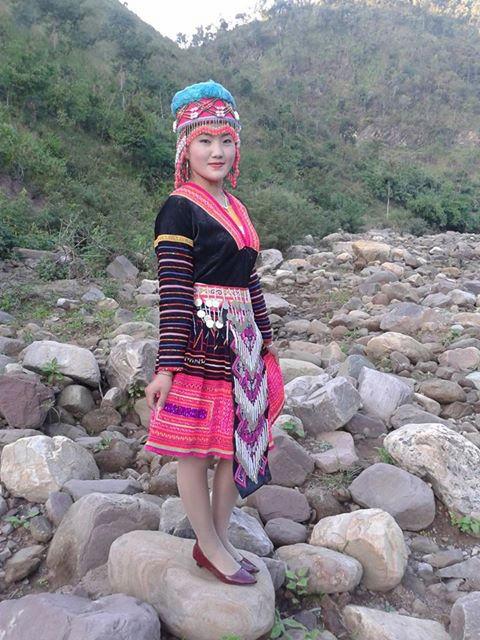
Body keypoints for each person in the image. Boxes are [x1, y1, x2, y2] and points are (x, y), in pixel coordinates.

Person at [144, 79, 285, 586]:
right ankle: (206, 543)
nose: (217, 151)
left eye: (226, 140)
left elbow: (250, 280)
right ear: (185, 147)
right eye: (205, 140)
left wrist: (266, 340)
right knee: (195, 450)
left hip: (242, 344)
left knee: (235, 445)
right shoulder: (178, 208)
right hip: (201, 342)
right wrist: (166, 367)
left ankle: (220, 541)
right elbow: (175, 292)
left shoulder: (237, 208)